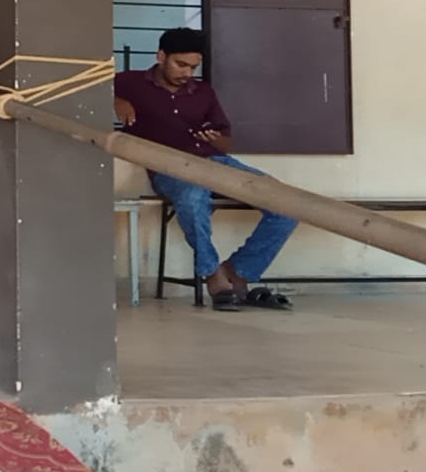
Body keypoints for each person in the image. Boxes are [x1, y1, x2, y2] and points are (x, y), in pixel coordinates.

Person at [114, 27, 297, 311]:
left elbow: (226, 143)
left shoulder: (203, 92)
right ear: (161, 56)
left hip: (215, 162)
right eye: (181, 64)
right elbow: (88, 89)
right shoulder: (130, 82)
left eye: (193, 67)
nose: (187, 73)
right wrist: (116, 100)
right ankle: (213, 275)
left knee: (287, 205)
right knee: (192, 198)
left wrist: (215, 138)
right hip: (169, 167)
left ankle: (237, 272)